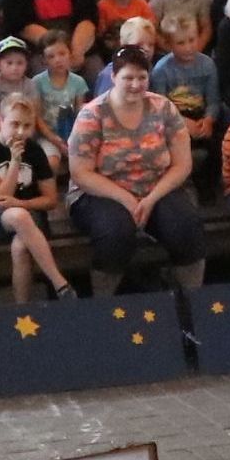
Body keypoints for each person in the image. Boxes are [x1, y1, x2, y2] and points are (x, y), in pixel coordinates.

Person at [68, 43, 204, 298]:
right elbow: (81, 173)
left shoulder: (164, 108)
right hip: (100, 192)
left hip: (156, 186)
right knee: (116, 233)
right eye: (128, 78)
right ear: (113, 77)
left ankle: (191, 299)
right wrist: (128, 200)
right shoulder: (92, 114)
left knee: (186, 226)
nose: (136, 84)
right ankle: (103, 301)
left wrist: (151, 199)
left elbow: (182, 164)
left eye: (142, 77)